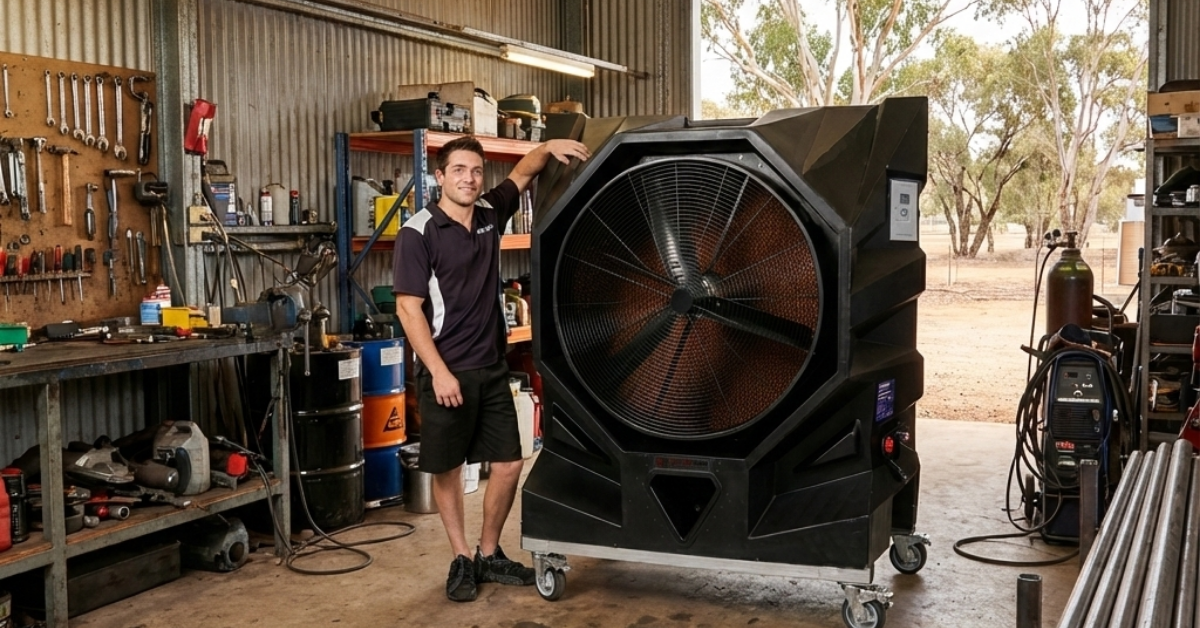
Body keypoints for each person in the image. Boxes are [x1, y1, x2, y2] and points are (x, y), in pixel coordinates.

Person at [393, 135, 590, 602]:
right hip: (447, 371)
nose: (469, 178)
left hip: (491, 366)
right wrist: (438, 372)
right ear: (439, 177)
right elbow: (408, 308)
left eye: (477, 171)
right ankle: (461, 558)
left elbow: (522, 174)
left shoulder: (487, 214)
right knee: (449, 469)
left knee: (509, 463)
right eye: (459, 170)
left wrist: (550, 144)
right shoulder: (417, 233)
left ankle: (487, 553)